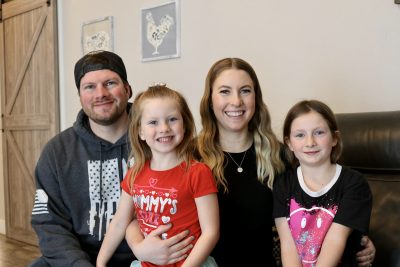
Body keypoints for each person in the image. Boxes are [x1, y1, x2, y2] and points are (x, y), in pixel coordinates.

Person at [125, 58, 376, 267]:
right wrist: (139, 248)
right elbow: (139, 214)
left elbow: (321, 204)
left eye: (245, 91)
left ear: (256, 98)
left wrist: (359, 239)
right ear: (210, 100)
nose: (236, 101)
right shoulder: (187, 157)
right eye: (225, 91)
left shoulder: (282, 155)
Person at [29, 50, 135, 266]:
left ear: (127, 89)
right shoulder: (57, 152)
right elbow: (50, 224)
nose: (101, 93)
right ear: (80, 96)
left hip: (143, 257)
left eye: (110, 83)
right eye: (90, 87)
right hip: (78, 259)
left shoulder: (159, 141)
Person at [97, 85, 220, 267]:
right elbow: (119, 222)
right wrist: (100, 262)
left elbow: (211, 232)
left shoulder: (198, 172)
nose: (164, 128)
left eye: (172, 119)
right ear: (140, 131)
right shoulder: (135, 174)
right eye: (153, 122)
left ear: (184, 125)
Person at [273, 100, 373, 266]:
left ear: (334, 138)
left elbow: (335, 241)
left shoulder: (354, 183)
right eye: (300, 135)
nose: (310, 142)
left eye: (319, 132)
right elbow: (288, 244)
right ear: (289, 143)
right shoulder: (283, 184)